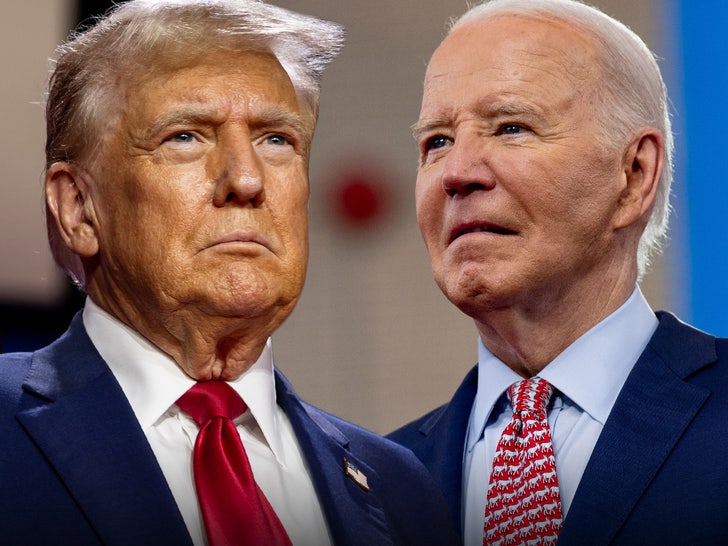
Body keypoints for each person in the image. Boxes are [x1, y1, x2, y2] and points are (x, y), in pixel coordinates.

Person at [0, 1, 459, 545]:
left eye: (276, 140)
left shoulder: (401, 491)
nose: (246, 179)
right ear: (79, 208)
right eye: (186, 137)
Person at [388, 0, 728, 544]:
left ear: (634, 174)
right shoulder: (373, 486)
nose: (456, 173)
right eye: (437, 142)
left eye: (511, 127)